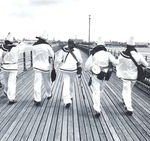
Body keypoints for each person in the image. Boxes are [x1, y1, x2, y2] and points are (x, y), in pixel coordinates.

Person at [85, 40, 118, 117]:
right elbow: (116, 62)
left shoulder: (94, 54)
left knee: (95, 91)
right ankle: (98, 103)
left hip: (96, 74)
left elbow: (87, 65)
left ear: (97, 46)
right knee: (101, 90)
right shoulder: (108, 54)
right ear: (103, 46)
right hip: (105, 75)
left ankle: (97, 108)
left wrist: (89, 69)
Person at [116, 37, 148, 115]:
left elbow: (117, 63)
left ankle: (129, 108)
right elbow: (146, 65)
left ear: (127, 46)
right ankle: (125, 99)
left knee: (127, 91)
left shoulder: (122, 55)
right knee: (128, 90)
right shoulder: (138, 55)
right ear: (134, 46)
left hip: (125, 76)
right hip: (134, 77)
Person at [55, 39, 83, 108]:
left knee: (66, 83)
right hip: (73, 69)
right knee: (71, 82)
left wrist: (61, 62)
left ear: (67, 43)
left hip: (64, 69)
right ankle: (70, 96)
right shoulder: (77, 50)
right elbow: (80, 61)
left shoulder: (63, 50)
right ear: (73, 43)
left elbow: (58, 60)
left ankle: (66, 100)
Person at [32, 33, 55, 105]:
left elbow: (33, 56)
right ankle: (48, 94)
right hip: (45, 67)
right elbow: (53, 55)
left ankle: (37, 99)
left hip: (37, 67)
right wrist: (53, 65)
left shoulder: (34, 46)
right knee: (47, 82)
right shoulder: (47, 46)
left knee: (37, 83)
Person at [1, 32, 19, 104]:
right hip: (13, 67)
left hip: (5, 67)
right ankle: (11, 98)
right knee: (12, 83)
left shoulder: (2, 48)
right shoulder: (16, 48)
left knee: (6, 81)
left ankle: (6, 91)